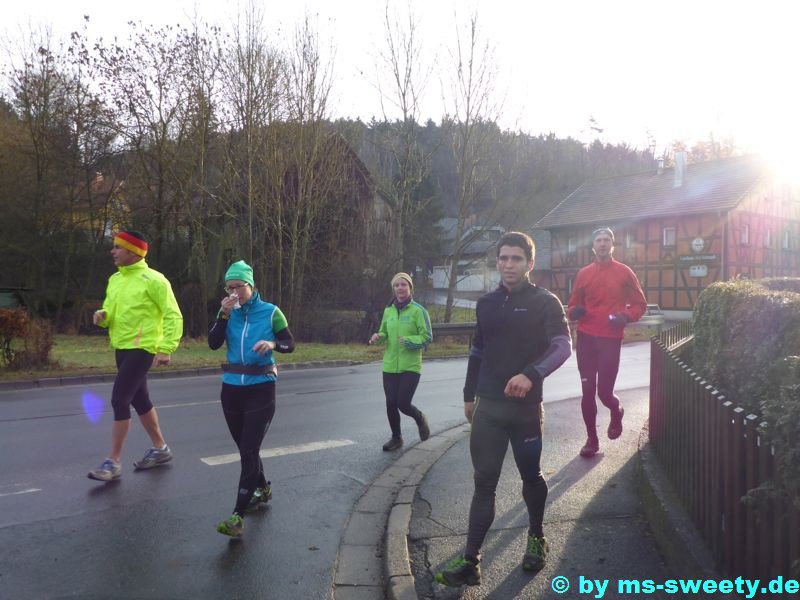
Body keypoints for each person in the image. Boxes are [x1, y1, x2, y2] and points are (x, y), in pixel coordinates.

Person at [435, 231, 572, 587]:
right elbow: (477, 351)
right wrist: (469, 395)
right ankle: (471, 561)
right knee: (484, 483)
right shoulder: (486, 303)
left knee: (531, 477)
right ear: (497, 261)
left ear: (530, 263)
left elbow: (562, 346)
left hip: (526, 410)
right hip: (489, 408)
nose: (509, 264)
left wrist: (531, 374)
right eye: (504, 258)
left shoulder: (546, 302)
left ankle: (537, 538)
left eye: (516, 259)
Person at [208, 260, 295, 538]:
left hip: (261, 387)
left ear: (251, 285)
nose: (234, 292)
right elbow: (213, 343)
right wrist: (223, 315)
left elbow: (290, 344)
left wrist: (272, 344)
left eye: (239, 286)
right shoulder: (227, 312)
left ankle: (237, 515)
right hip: (231, 389)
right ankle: (263, 488)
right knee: (247, 449)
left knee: (248, 450)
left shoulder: (271, 312)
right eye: (229, 287)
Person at [88, 230, 183, 481]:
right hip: (121, 346)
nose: (112, 251)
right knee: (140, 400)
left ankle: (113, 462)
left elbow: (173, 315)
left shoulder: (155, 280)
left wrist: (166, 347)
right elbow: (111, 311)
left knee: (120, 400)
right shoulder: (115, 279)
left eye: (117, 247)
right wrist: (102, 317)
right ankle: (161, 449)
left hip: (143, 348)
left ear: (133, 252)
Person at [567, 226, 647, 458]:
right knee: (587, 391)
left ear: (612, 244)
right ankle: (592, 440)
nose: (602, 244)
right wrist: (575, 312)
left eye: (606, 240)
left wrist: (625, 317)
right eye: (598, 240)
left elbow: (640, 304)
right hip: (586, 338)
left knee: (604, 393)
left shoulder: (624, 272)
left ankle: (616, 409)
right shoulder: (584, 273)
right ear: (593, 246)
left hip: (610, 339)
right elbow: (573, 304)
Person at [368, 272, 433, 451]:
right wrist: (377, 337)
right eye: (396, 285)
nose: (400, 288)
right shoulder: (388, 311)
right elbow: (384, 333)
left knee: (403, 403)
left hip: (410, 366)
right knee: (390, 403)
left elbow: (427, 337)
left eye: (403, 284)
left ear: (410, 287)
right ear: (393, 289)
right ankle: (396, 438)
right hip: (390, 365)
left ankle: (420, 418)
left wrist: (410, 341)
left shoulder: (418, 311)